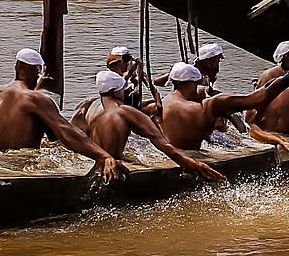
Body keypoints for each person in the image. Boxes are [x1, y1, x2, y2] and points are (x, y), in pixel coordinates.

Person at [0, 49, 110, 176]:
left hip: (1, 160)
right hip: (25, 165)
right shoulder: (35, 99)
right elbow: (66, 132)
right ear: (36, 70)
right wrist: (103, 156)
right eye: (38, 74)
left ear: (16, 67)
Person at [70, 70, 226, 183]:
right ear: (118, 91)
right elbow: (161, 142)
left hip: (94, 171)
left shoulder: (89, 108)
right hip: (115, 175)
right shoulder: (125, 112)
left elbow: (71, 137)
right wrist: (192, 164)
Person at [158, 61, 289, 150]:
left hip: (175, 155)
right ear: (195, 83)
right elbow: (258, 99)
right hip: (195, 158)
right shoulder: (210, 105)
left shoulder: (163, 103)